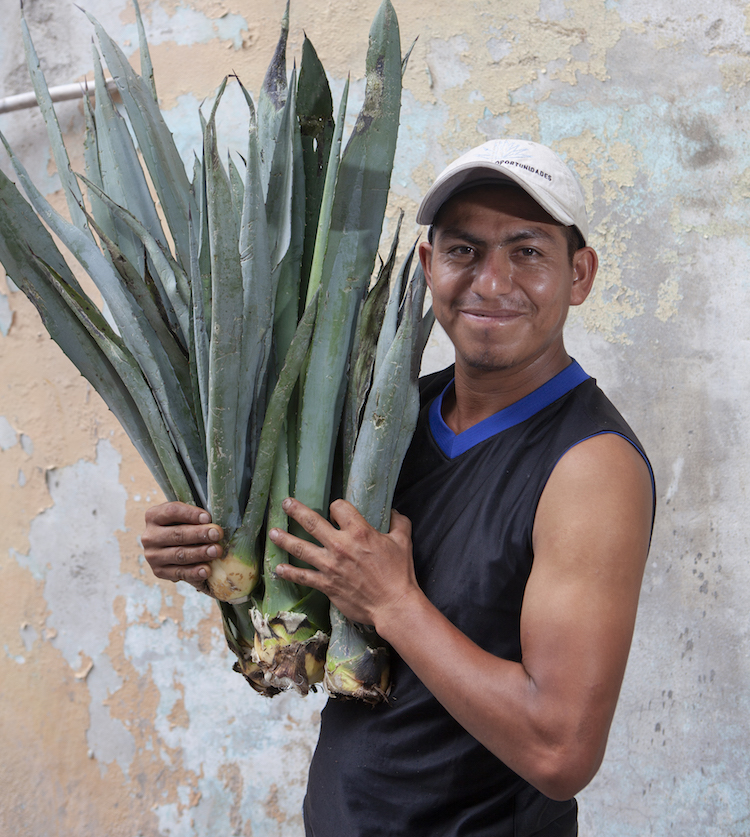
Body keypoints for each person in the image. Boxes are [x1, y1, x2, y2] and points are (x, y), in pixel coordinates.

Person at [142, 138, 655, 837]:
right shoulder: (389, 422)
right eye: (463, 250)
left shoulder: (590, 467)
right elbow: (320, 637)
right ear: (427, 266)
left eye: (528, 251)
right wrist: (219, 565)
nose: (492, 280)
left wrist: (394, 601)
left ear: (580, 273)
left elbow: (559, 749)